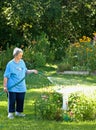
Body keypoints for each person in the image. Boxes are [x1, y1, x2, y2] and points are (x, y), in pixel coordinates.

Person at [3, 47, 38, 119]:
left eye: (21, 55)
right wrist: (5, 86)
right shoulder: (10, 64)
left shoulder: (22, 62)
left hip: (21, 86)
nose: (21, 56)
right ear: (15, 55)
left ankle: (19, 112)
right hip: (13, 86)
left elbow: (26, 71)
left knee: (20, 99)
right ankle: (11, 113)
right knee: (12, 100)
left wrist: (33, 71)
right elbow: (6, 76)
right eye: (20, 55)